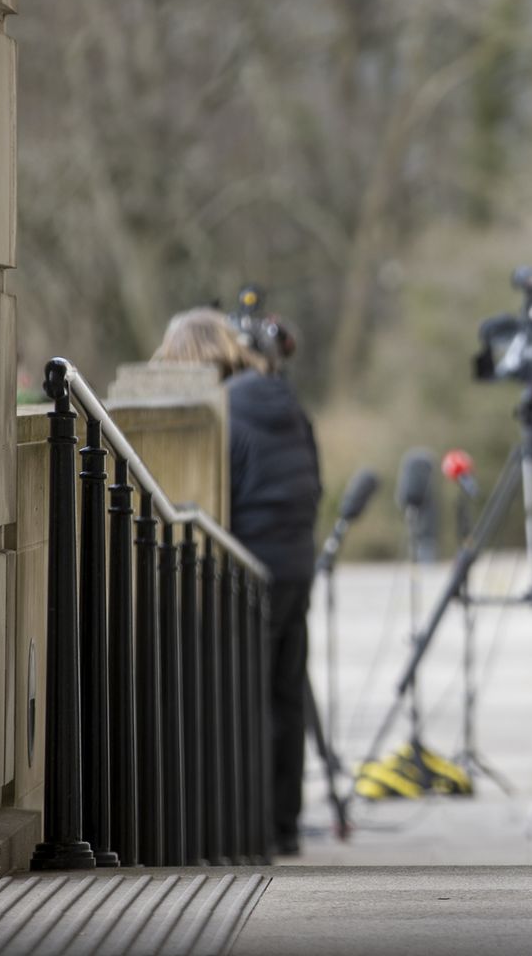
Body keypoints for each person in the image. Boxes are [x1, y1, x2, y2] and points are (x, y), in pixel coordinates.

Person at [152, 308, 323, 856]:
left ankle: (241, 830)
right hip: (295, 562)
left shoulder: (221, 411)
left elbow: (205, 495)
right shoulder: (282, 397)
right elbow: (314, 479)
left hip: (244, 570)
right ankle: (284, 825)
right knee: (285, 696)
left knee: (236, 700)